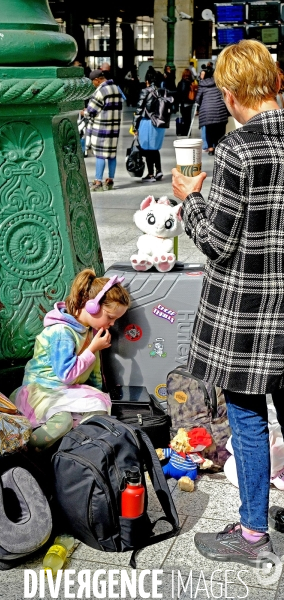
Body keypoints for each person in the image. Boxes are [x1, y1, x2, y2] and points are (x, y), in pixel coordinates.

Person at [171, 39, 284, 567]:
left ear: (235, 93)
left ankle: (253, 533)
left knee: (247, 415)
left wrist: (189, 197)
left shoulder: (239, 151)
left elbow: (216, 239)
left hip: (248, 314)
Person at [10, 270, 130, 451]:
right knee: (63, 420)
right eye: (110, 317)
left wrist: (96, 394)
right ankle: (23, 448)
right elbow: (66, 375)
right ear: (92, 307)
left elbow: (94, 371)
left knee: (98, 408)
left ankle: (75, 449)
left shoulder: (89, 331)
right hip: (41, 391)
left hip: (65, 392)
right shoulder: (62, 332)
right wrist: (92, 349)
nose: (112, 323)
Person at [84, 69, 122, 191]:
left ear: (97, 80)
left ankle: (98, 181)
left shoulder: (101, 91)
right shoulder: (116, 88)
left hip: (101, 128)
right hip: (114, 128)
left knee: (100, 155)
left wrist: (83, 112)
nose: (92, 85)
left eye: (92, 82)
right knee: (111, 155)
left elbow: (91, 111)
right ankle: (110, 180)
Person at [132, 67, 169, 182]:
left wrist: (135, 126)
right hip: (159, 123)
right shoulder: (162, 91)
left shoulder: (145, 91)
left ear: (147, 80)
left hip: (147, 122)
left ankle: (150, 174)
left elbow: (139, 110)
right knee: (154, 148)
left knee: (147, 148)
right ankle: (159, 171)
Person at [195, 68, 228, 155]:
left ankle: (210, 149)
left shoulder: (202, 85)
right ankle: (218, 147)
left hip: (207, 111)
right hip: (220, 109)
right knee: (220, 130)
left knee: (209, 130)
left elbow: (197, 99)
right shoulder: (220, 83)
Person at [176, 68, 195, 136]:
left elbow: (178, 93)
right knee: (189, 118)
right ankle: (188, 131)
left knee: (184, 118)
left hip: (183, 103)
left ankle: (184, 131)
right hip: (190, 103)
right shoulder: (192, 83)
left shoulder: (181, 83)